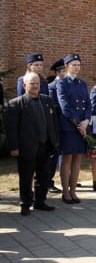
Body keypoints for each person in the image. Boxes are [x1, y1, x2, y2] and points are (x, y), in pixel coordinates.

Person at [5, 72, 59, 216]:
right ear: (24, 85)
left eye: (37, 83)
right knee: (26, 176)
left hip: (45, 145)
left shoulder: (47, 101)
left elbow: (53, 123)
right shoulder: (15, 104)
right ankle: (25, 203)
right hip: (26, 147)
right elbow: (11, 128)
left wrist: (54, 141)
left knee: (43, 175)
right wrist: (14, 147)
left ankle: (40, 201)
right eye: (32, 83)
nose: (35, 86)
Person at [56, 53, 91, 204]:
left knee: (78, 159)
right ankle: (65, 192)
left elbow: (88, 104)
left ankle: (73, 191)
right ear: (67, 66)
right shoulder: (62, 83)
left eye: (78, 64)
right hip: (69, 126)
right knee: (67, 158)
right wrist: (79, 123)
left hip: (81, 126)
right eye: (74, 64)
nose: (77, 67)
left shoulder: (82, 83)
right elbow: (65, 106)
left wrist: (86, 121)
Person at [47, 58, 66, 193]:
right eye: (64, 70)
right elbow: (54, 107)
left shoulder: (69, 85)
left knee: (67, 153)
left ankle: (67, 179)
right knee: (54, 154)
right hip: (57, 124)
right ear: (58, 72)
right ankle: (48, 182)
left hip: (68, 125)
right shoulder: (52, 87)